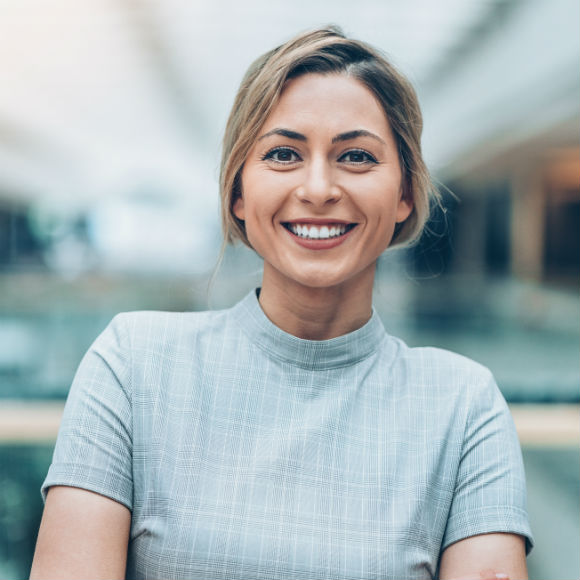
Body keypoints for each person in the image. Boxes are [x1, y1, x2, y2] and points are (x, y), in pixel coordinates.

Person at [30, 26, 533, 580]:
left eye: (358, 156)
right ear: (239, 192)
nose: (318, 188)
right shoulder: (131, 364)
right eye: (284, 153)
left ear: (405, 193)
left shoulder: (463, 407)